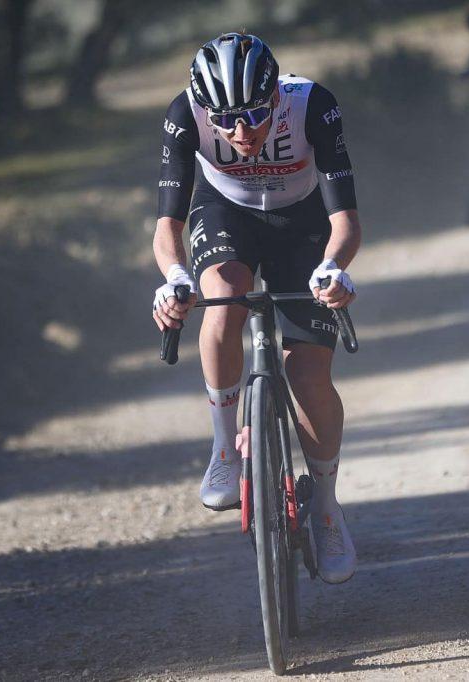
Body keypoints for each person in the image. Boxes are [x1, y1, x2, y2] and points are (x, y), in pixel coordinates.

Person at [150, 33, 361, 584]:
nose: (240, 134)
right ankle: (225, 445)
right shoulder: (184, 115)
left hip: (303, 220)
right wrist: (174, 278)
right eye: (224, 121)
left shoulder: (312, 104)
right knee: (220, 301)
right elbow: (167, 226)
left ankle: (326, 508)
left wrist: (333, 268)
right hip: (226, 213)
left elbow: (345, 222)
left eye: (253, 115)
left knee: (307, 373)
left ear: (274, 97)